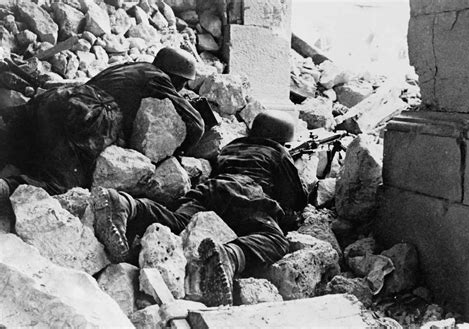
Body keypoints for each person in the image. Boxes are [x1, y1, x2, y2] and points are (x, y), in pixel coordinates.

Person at [91, 110, 308, 306]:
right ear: (282, 141)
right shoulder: (278, 153)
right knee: (274, 238)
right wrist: (298, 166)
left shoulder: (232, 147)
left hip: (210, 189)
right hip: (247, 193)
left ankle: (125, 204)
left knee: (180, 223)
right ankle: (229, 256)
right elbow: (297, 200)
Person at [0, 47, 204, 199]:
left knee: (14, 145)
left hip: (58, 98)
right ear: (177, 78)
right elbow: (197, 125)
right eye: (183, 84)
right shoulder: (158, 78)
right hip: (89, 116)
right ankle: (6, 188)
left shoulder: (131, 67)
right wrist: (176, 151)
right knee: (60, 187)